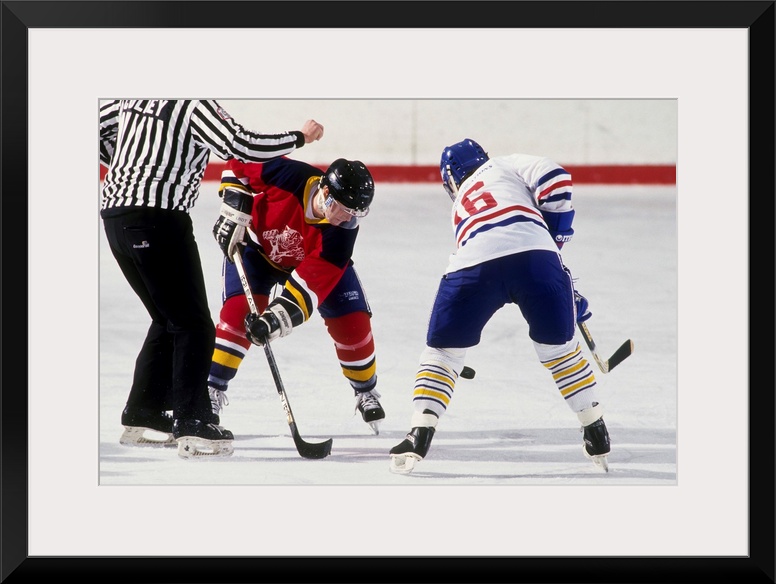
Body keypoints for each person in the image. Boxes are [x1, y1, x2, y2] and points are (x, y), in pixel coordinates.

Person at [99, 99, 324, 459]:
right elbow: (241, 144)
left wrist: (130, 165)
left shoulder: (132, 97)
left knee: (168, 317)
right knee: (193, 324)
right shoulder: (190, 103)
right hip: (158, 219)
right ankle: (193, 422)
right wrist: (299, 137)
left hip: (115, 218)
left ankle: (143, 413)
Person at [389, 138, 611, 474]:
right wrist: (555, 252)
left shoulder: (460, 204)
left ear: (450, 180)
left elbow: (497, 248)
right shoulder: (504, 164)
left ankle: (419, 434)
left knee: (443, 354)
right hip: (537, 264)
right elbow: (556, 178)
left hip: (473, 266)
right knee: (561, 351)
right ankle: (596, 430)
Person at [207, 156, 385, 434]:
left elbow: (308, 288)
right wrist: (234, 207)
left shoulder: (342, 233)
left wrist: (272, 322)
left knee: (352, 324)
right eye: (345, 208)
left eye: (356, 213)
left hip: (311, 264)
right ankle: (210, 390)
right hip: (257, 251)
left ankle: (365, 390)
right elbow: (238, 159)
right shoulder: (289, 175)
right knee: (237, 316)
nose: (348, 217)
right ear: (326, 193)